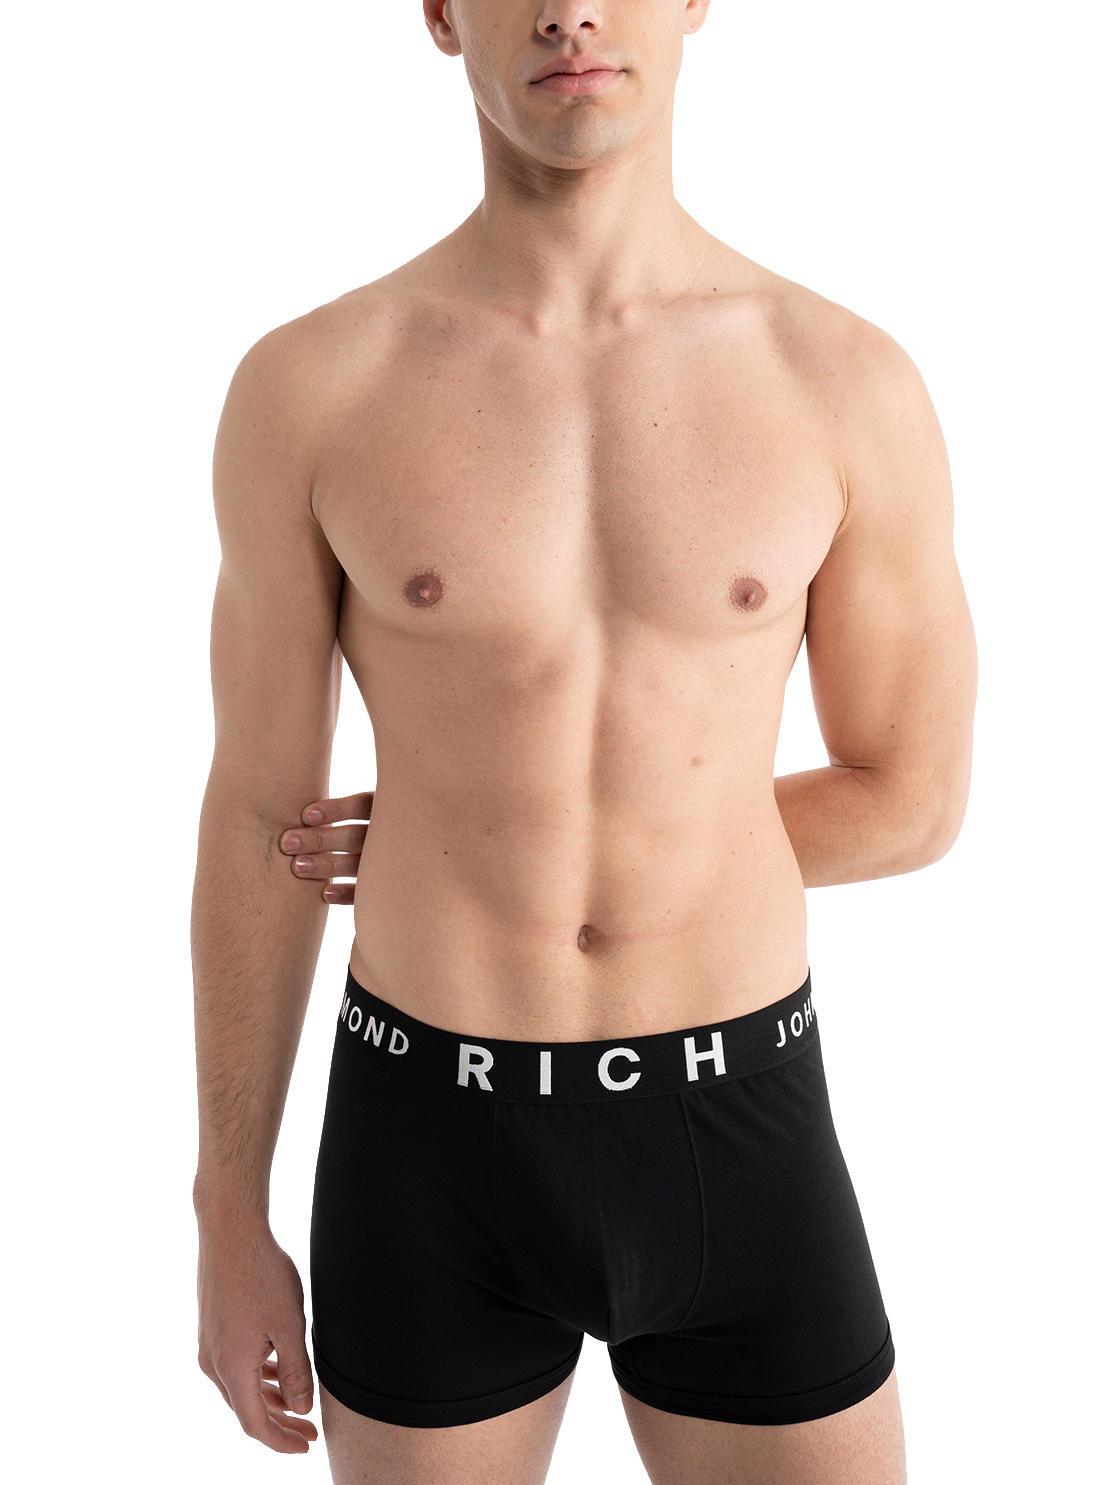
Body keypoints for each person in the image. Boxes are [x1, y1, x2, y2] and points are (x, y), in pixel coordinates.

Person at [190, 3, 977, 1482]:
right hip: (427, 1140)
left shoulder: (840, 381)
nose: (569, 10)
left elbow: (912, 795)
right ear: (441, 13)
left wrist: (571, 835)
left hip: (737, 1123)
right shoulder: (314, 386)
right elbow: (256, 815)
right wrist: (227, 1208)